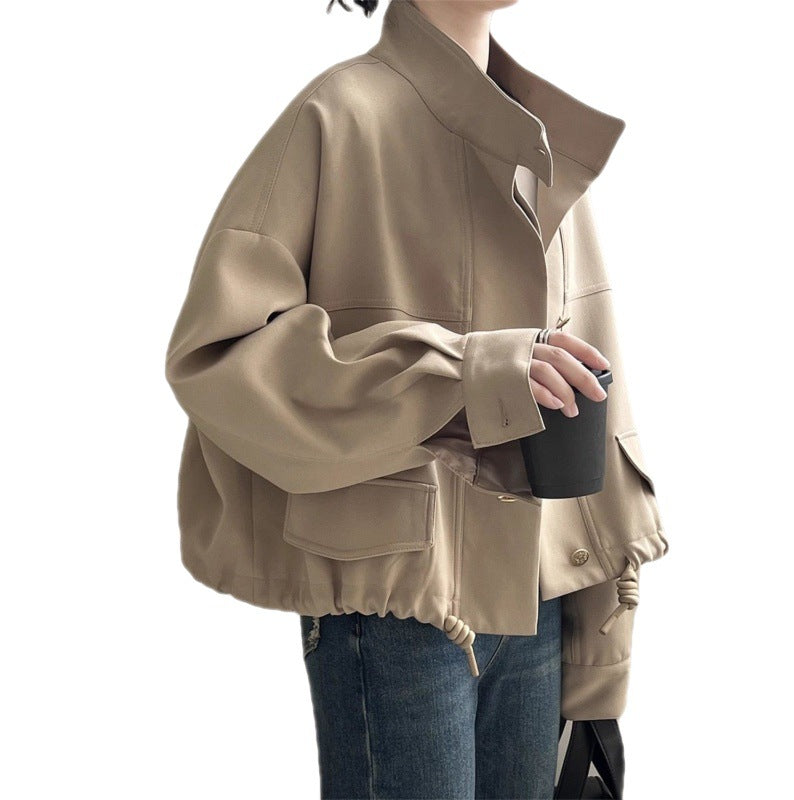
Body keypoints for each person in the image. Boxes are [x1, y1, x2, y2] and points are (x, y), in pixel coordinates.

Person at [164, 1, 669, 798]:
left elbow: (597, 395)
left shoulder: (543, 140)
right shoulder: (338, 116)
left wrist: (600, 658)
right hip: (398, 609)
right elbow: (219, 360)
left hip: (541, 598)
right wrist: (461, 374)